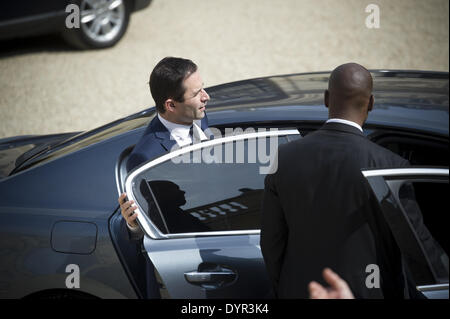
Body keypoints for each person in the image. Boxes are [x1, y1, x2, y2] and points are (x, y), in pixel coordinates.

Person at [260, 62, 438, 298]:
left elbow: (271, 243)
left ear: (325, 98)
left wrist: (286, 288)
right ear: (371, 103)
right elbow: (416, 246)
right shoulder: (391, 166)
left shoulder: (284, 157)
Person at [118, 57, 211, 235]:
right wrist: (134, 225)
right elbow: (155, 220)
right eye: (196, 93)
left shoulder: (197, 113)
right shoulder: (145, 156)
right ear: (171, 105)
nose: (206, 97)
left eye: (203, 88)